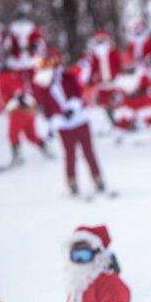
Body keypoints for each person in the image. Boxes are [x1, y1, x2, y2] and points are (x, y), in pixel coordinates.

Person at [31, 55, 106, 197]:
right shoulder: (40, 86)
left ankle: (98, 180)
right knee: (70, 155)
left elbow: (78, 94)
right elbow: (45, 107)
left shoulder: (67, 77)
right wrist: (50, 126)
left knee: (88, 152)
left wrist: (73, 108)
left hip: (80, 119)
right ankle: (72, 184)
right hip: (63, 125)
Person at [0, 63, 50, 166]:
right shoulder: (12, 76)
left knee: (12, 135)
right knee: (31, 136)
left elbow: (14, 91)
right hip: (28, 111)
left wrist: (20, 97)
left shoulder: (3, 78)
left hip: (19, 111)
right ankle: (46, 150)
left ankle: (17, 158)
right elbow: (3, 101)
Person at [85, 30, 123, 109]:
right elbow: (93, 68)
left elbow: (118, 64)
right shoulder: (95, 55)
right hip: (102, 82)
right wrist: (90, 78)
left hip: (114, 81)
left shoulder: (112, 51)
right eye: (99, 40)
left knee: (117, 102)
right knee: (104, 103)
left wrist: (120, 74)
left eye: (103, 39)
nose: (101, 41)